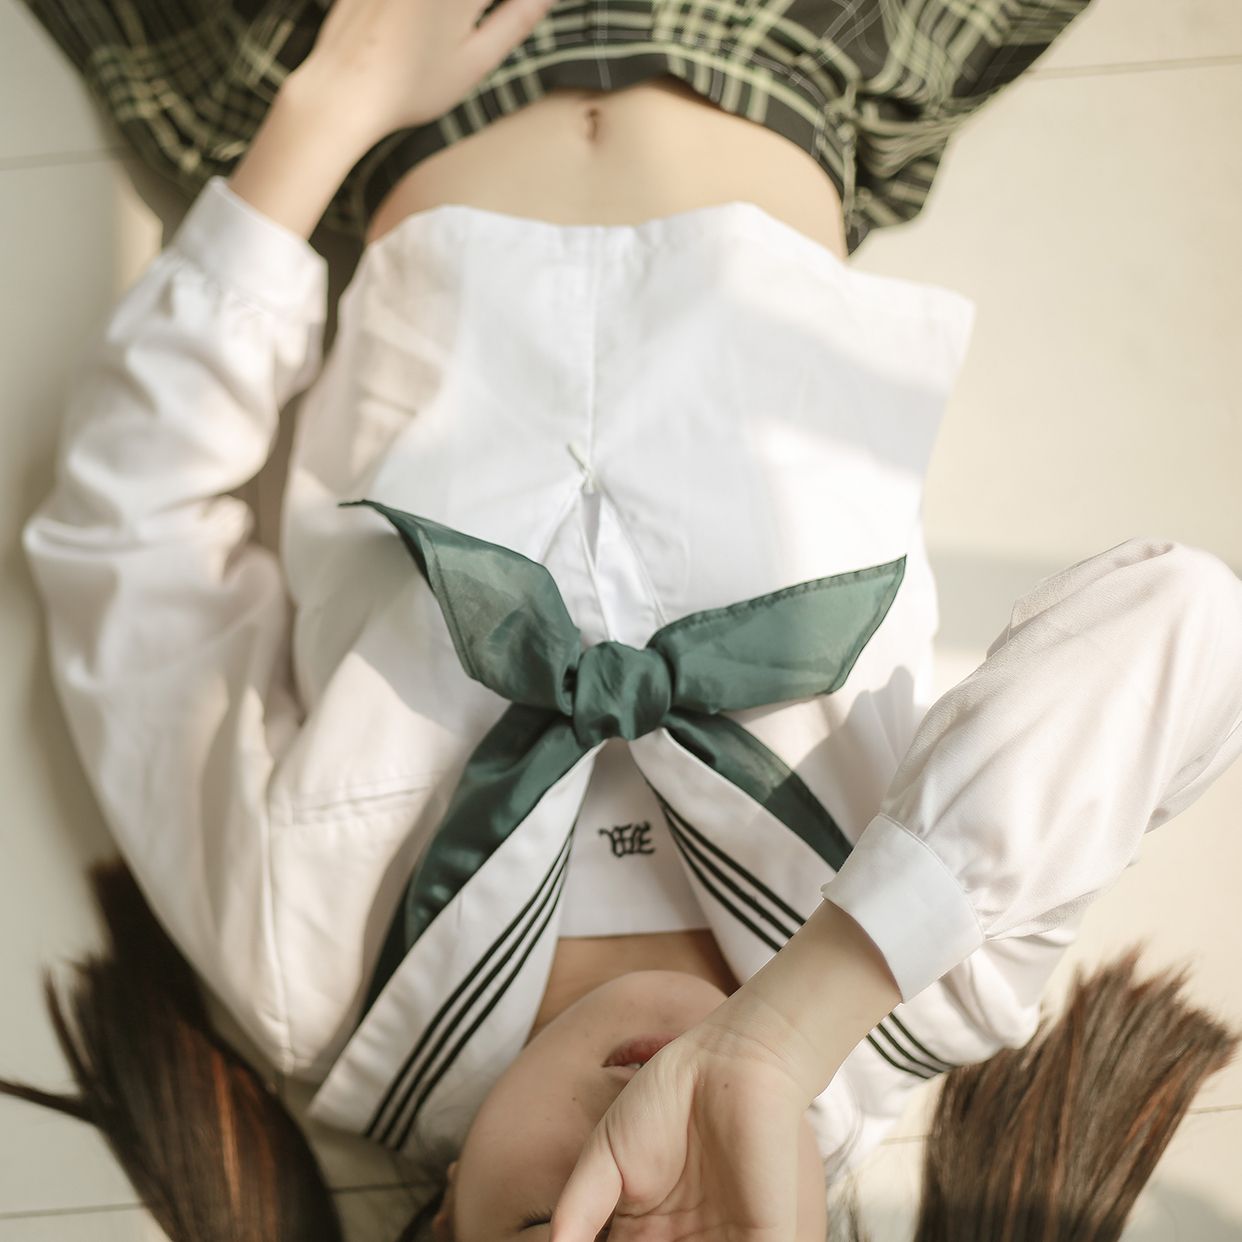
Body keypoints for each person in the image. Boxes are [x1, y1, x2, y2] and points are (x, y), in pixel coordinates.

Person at [5, 1, 1242, 1240]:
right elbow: (1185, 624)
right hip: (802, 43)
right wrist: (781, 1037)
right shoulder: (927, 973)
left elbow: (124, 538)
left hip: (386, 69)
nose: (641, 1180)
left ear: (444, 1221)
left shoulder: (308, 967)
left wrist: (330, 111)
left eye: (560, 1230)